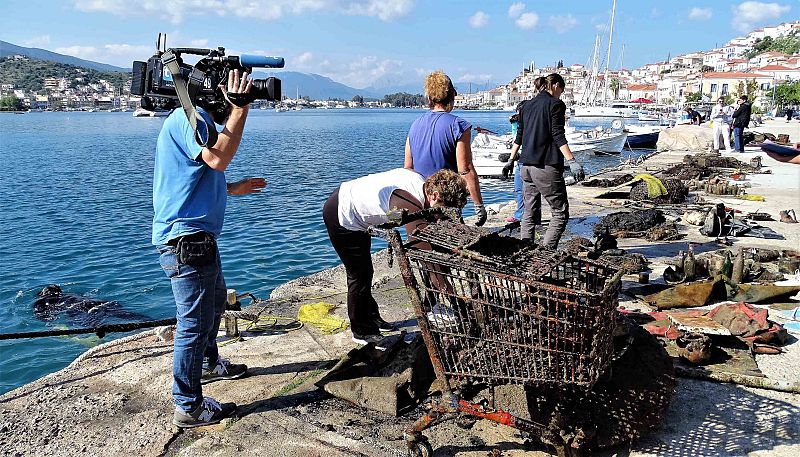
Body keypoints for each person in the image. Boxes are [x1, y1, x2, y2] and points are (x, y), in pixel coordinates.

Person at [153, 69, 267, 428]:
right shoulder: (193, 118)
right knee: (192, 324)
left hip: (196, 238)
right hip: (187, 241)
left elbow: (197, 175)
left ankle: (208, 362)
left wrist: (232, 189)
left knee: (215, 303)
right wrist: (241, 108)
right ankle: (188, 406)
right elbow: (217, 158)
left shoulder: (191, 119)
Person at [323, 168, 468, 346]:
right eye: (441, 212)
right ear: (435, 196)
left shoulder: (421, 183)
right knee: (359, 273)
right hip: (341, 212)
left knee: (366, 270)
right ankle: (361, 331)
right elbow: (425, 255)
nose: (440, 217)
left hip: (355, 202)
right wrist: (454, 298)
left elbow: (403, 221)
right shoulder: (408, 204)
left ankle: (373, 317)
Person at [504, 73, 585, 249]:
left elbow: (520, 136)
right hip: (545, 167)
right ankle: (546, 253)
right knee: (559, 213)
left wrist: (510, 160)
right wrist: (572, 160)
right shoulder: (556, 105)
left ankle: (526, 249)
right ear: (555, 85)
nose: (560, 95)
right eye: (560, 91)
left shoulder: (526, 106)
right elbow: (558, 134)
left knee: (529, 212)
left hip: (525, 167)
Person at [404, 71, 486, 226]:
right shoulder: (458, 126)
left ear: (429, 98)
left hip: (422, 199)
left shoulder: (415, 125)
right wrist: (479, 206)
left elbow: (408, 168)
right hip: (446, 200)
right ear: (452, 95)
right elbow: (465, 170)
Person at [505, 78, 545, 224]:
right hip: (525, 160)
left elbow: (520, 139)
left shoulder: (527, 124)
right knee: (525, 190)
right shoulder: (520, 123)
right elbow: (518, 139)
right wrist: (510, 159)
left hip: (526, 161)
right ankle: (528, 215)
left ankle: (525, 215)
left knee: (526, 190)